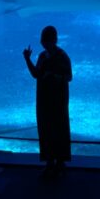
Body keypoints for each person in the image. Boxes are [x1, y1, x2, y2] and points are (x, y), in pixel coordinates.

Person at [23, 25, 73, 178]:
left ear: (54, 40)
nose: (44, 44)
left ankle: (60, 162)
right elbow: (36, 74)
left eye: (47, 41)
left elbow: (69, 76)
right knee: (46, 130)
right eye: (43, 41)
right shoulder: (42, 56)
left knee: (59, 129)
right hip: (44, 100)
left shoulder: (62, 56)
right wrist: (27, 59)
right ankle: (49, 161)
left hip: (58, 101)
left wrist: (55, 77)